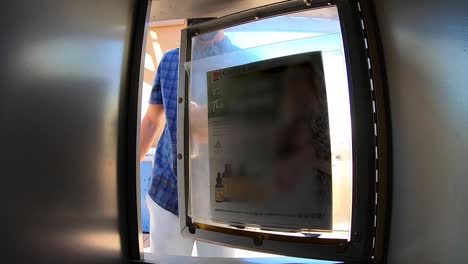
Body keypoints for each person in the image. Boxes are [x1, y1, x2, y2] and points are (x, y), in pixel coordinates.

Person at [139, 19, 238, 260]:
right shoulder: (170, 60)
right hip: (168, 190)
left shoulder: (243, 60)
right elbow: (152, 120)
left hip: (224, 196)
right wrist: (122, 175)